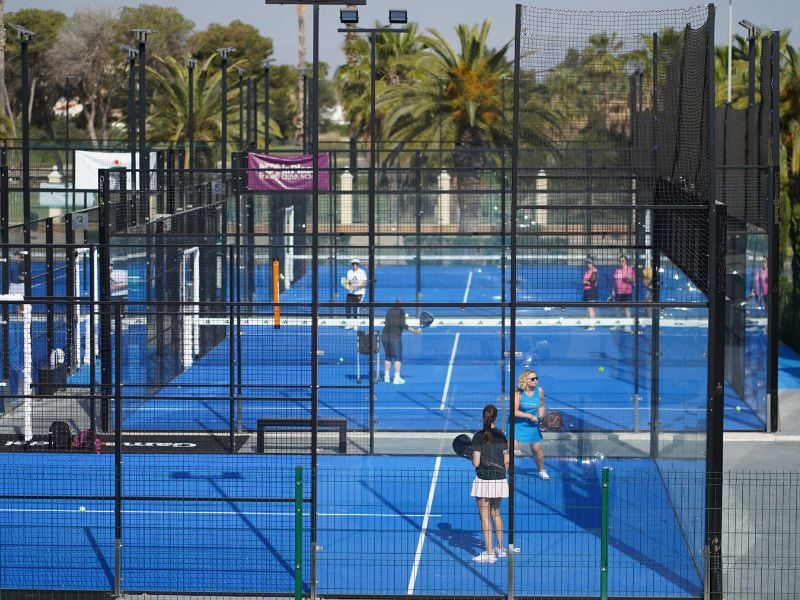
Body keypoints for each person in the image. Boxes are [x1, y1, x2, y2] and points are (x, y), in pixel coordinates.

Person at [470, 403, 510, 564]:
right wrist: (500, 473)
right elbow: (507, 460)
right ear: (495, 417)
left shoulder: (478, 437)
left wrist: (471, 456)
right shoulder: (501, 435)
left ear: (483, 417)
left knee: (484, 517)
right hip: (499, 478)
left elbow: (476, 462)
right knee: (496, 513)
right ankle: (500, 548)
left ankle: (489, 554)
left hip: (484, 480)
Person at [510, 369, 549, 480]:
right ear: (526, 381)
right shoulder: (518, 394)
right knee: (511, 448)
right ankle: (504, 470)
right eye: (533, 379)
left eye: (537, 378)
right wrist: (530, 416)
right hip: (517, 424)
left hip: (533, 424)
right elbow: (514, 411)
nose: (536, 380)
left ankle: (541, 470)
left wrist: (541, 421)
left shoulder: (540, 391)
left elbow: (541, 405)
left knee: (537, 450)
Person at [381, 300, 421, 384]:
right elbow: (403, 324)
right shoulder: (401, 312)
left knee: (388, 356)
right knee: (397, 357)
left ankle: (386, 377)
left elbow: (387, 322)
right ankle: (396, 378)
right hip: (395, 338)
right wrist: (414, 331)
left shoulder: (389, 311)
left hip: (384, 337)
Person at [611, 254, 635, 332]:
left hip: (627, 292)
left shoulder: (630, 269)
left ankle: (627, 326)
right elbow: (615, 282)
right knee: (618, 309)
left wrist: (629, 279)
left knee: (626, 309)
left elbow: (633, 282)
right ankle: (618, 324)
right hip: (618, 293)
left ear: (626, 261)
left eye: (623, 261)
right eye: (620, 261)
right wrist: (613, 290)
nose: (621, 262)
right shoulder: (617, 270)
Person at [343, 257, 367, 329]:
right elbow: (348, 282)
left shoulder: (362, 272)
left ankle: (356, 324)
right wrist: (347, 286)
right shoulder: (349, 272)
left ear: (358, 265)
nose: (354, 265)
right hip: (350, 293)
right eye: (353, 264)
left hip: (359, 293)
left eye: (356, 264)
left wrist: (356, 286)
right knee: (347, 307)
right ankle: (349, 323)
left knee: (356, 308)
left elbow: (364, 283)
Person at [582, 256, 598, 329]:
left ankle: (592, 325)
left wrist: (586, 282)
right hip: (586, 291)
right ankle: (589, 323)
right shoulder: (587, 271)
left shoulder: (594, 271)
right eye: (587, 262)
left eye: (590, 262)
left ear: (593, 263)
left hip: (591, 291)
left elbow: (594, 283)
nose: (588, 264)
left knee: (590, 308)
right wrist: (585, 282)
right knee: (588, 308)